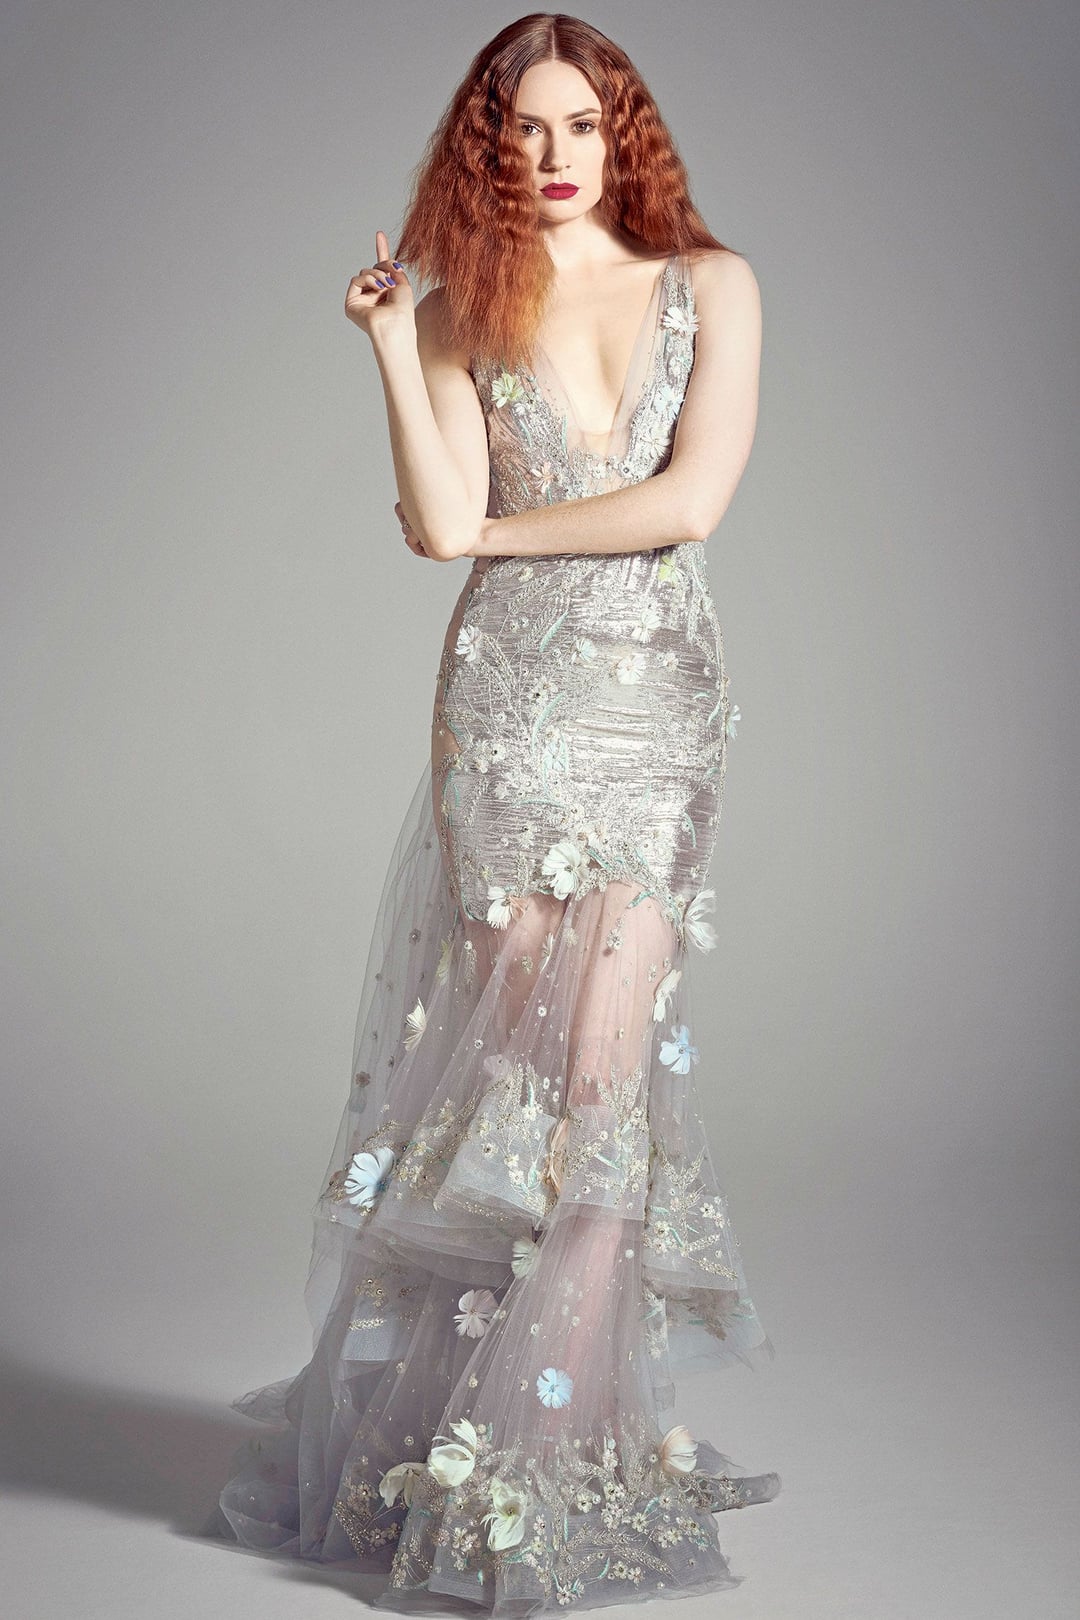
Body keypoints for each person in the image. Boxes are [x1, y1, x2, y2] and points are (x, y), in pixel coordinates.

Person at [211, 12, 781, 1613]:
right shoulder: (469, 309)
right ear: (489, 146)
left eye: (579, 126)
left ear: (623, 134)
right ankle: (468, 1458)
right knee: (507, 1096)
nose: (551, 155)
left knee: (603, 1091)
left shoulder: (715, 286)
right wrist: (392, 348)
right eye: (521, 129)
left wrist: (501, 539)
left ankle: (546, 1472)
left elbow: (690, 501)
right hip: (510, 718)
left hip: (651, 714)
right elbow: (436, 515)